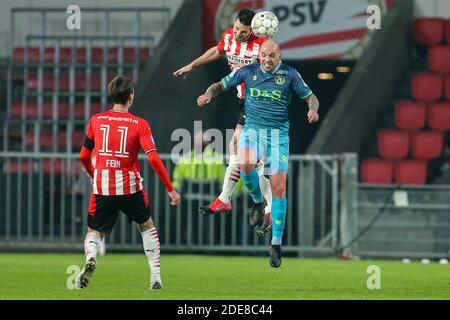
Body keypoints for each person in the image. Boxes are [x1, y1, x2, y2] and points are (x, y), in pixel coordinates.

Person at [197, 40, 320, 268]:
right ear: (259, 55)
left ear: (279, 56)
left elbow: (310, 96)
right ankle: (257, 201)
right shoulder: (248, 71)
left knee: (279, 186)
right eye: (263, 55)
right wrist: (208, 94)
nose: (266, 59)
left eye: (271, 55)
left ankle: (275, 243)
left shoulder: (290, 74)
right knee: (244, 163)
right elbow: (218, 85)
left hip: (278, 136)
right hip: (252, 130)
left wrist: (313, 108)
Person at [173, 9, 273, 236]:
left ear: (253, 31)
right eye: (236, 28)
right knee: (238, 150)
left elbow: (275, 68)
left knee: (249, 154)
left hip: (260, 104)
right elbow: (218, 51)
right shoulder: (229, 36)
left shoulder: (263, 46)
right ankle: (231, 199)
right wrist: (192, 65)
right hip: (244, 103)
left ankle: (262, 203)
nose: (237, 34)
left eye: (243, 32)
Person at [76, 75, 181, 289]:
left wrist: (93, 174)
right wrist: (170, 189)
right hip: (130, 186)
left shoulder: (96, 120)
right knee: (146, 226)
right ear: (131, 96)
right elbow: (152, 157)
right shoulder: (139, 124)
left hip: (103, 187)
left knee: (94, 231)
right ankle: (155, 277)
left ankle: (90, 259)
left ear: (111, 95)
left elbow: (84, 156)